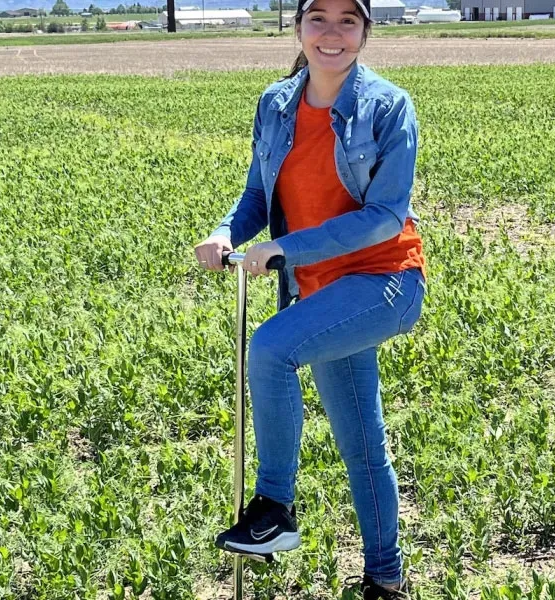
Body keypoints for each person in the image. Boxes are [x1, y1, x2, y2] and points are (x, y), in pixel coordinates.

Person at [194, 0, 426, 594]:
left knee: (270, 349)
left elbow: (384, 216)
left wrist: (287, 249)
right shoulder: (275, 104)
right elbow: (256, 195)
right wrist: (226, 232)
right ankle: (386, 580)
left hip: (385, 282)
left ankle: (274, 507)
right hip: (322, 291)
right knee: (362, 442)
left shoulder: (389, 107)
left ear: (366, 33)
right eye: (317, 17)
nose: (332, 32)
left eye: (348, 19)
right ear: (298, 27)